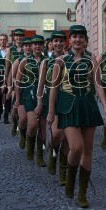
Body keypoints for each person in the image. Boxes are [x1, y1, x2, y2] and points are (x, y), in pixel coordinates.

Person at [47, 25, 106, 208]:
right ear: (70, 40)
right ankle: (69, 178)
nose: (77, 40)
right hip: (68, 106)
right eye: (74, 36)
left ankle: (82, 193)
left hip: (88, 106)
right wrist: (51, 112)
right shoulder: (60, 61)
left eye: (80, 37)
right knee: (76, 147)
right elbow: (53, 88)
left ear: (85, 41)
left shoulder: (92, 59)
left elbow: (98, 84)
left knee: (88, 150)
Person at [36, 30, 68, 181]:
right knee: (56, 135)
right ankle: (53, 153)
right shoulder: (46, 62)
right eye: (56, 41)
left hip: (68, 100)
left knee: (66, 137)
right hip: (52, 100)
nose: (58, 44)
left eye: (61, 41)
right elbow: (41, 85)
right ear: (51, 43)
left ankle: (63, 170)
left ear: (65, 43)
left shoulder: (70, 60)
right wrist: (40, 102)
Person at [15, 35, 46, 166]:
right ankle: (29, 143)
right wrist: (17, 99)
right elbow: (17, 81)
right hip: (28, 94)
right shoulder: (25, 61)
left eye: (39, 43)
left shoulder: (49, 61)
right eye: (35, 44)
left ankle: (40, 156)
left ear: (43, 45)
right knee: (32, 124)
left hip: (45, 95)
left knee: (42, 127)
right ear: (32, 46)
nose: (37, 46)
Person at [8, 37, 32, 149]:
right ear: (22, 48)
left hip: (33, 91)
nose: (28, 47)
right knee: (19, 116)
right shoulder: (18, 60)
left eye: (30, 45)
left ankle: (27, 135)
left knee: (28, 118)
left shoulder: (39, 59)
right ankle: (17, 127)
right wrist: (9, 88)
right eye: (26, 45)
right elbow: (11, 75)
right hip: (20, 89)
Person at [5, 29, 25, 136]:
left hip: (25, 77)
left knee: (22, 102)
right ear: (14, 37)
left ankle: (21, 121)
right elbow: (7, 65)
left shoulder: (27, 48)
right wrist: (6, 80)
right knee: (15, 103)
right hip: (12, 77)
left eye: (21, 36)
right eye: (17, 36)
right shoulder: (10, 49)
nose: (19, 38)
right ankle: (15, 121)